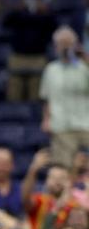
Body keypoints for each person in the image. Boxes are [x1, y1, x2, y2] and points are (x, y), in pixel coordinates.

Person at [40, 26, 89, 168]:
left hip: (86, 124)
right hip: (61, 126)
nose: (65, 47)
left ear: (76, 45)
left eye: (69, 43)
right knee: (63, 168)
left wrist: (84, 57)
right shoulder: (50, 69)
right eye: (62, 43)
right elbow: (47, 98)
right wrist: (46, 119)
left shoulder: (84, 67)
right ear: (56, 47)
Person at [4, 0, 59, 103]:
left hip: (38, 57)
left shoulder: (48, 9)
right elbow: (5, 23)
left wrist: (46, 12)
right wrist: (17, 9)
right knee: (14, 94)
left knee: (36, 95)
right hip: (18, 57)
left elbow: (55, 27)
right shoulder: (18, 8)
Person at [23, 151, 76, 229]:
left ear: (69, 181)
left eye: (62, 178)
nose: (57, 181)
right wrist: (33, 169)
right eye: (53, 177)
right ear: (46, 181)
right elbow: (25, 198)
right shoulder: (40, 200)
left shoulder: (74, 205)